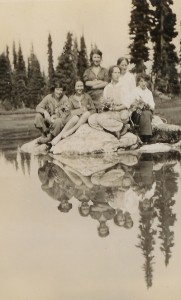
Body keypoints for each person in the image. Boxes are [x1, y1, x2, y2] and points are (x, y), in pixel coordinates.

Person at [88, 65, 130, 138]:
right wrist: (104, 103)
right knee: (91, 119)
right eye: (115, 72)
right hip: (110, 112)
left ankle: (120, 127)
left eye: (119, 73)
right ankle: (115, 129)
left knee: (123, 116)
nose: (117, 75)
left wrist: (117, 108)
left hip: (121, 111)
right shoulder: (107, 87)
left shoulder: (123, 86)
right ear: (111, 74)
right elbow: (105, 102)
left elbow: (127, 104)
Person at [51, 80, 96, 146]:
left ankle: (70, 131)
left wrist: (86, 110)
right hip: (75, 119)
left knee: (86, 114)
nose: (80, 88)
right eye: (78, 86)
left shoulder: (87, 97)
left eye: (81, 86)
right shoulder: (71, 98)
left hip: (85, 118)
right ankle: (59, 136)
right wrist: (79, 111)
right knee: (75, 118)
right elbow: (69, 112)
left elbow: (93, 110)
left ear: (83, 87)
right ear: (74, 87)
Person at [130, 74, 155, 144]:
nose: (144, 83)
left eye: (145, 81)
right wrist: (137, 104)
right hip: (136, 112)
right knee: (144, 114)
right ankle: (146, 138)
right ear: (138, 82)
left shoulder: (149, 93)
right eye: (141, 81)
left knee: (146, 113)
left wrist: (146, 104)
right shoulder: (135, 91)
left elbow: (152, 105)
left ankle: (145, 138)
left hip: (146, 111)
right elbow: (131, 103)